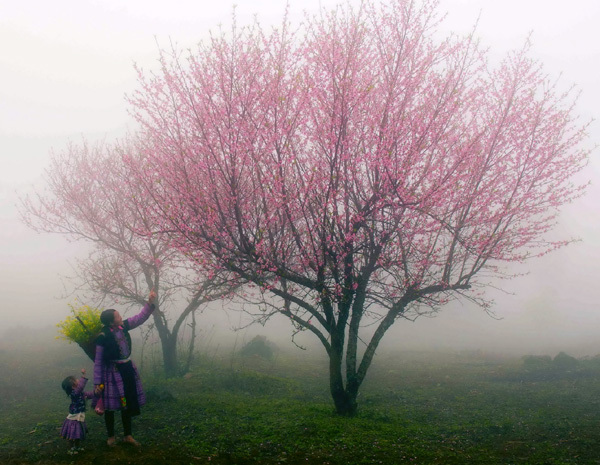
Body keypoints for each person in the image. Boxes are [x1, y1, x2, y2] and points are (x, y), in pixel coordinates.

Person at [93, 289, 156, 447]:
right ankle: (111, 437)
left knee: (126, 403)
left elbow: (140, 318)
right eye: (118, 316)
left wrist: (149, 303)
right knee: (109, 407)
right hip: (112, 373)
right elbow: (98, 362)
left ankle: (128, 435)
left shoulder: (123, 327)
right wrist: (97, 384)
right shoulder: (102, 337)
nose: (121, 318)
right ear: (110, 322)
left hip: (127, 370)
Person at [60, 368, 94, 454]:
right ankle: (71, 449)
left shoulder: (80, 393)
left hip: (79, 417)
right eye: (76, 380)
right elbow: (80, 387)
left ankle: (77, 447)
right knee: (72, 435)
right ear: (73, 386)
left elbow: (89, 394)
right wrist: (83, 376)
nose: (78, 380)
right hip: (74, 419)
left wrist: (96, 392)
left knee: (78, 433)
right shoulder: (74, 394)